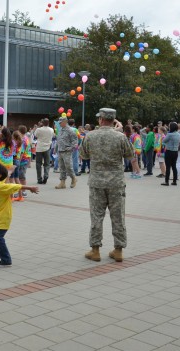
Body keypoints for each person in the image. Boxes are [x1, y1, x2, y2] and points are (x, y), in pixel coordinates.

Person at [79, 108, 134, 262]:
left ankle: (95, 250)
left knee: (96, 216)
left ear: (101, 119)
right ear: (113, 120)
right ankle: (118, 250)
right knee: (118, 216)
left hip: (97, 182)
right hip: (116, 182)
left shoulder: (90, 136)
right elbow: (130, 155)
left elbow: (83, 155)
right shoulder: (120, 137)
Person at [0, 163, 39, 267]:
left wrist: (30, 188)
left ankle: (6, 260)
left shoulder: (1, 186)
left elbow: (15, 186)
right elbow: (5, 176)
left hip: (4, 216)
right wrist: (10, 171)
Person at [55, 117, 78, 189]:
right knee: (61, 167)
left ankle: (73, 178)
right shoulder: (61, 129)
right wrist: (56, 148)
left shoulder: (70, 130)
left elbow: (75, 140)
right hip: (60, 150)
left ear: (65, 122)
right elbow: (59, 139)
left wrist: (71, 148)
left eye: (60, 122)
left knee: (68, 166)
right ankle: (62, 182)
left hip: (67, 151)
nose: (59, 123)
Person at [34, 118, 54, 184]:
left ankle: (39, 179)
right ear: (48, 123)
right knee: (47, 164)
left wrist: (39, 127)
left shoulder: (39, 129)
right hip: (47, 148)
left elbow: (35, 135)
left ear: (42, 123)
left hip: (39, 148)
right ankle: (46, 175)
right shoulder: (51, 130)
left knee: (38, 164)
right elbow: (52, 136)